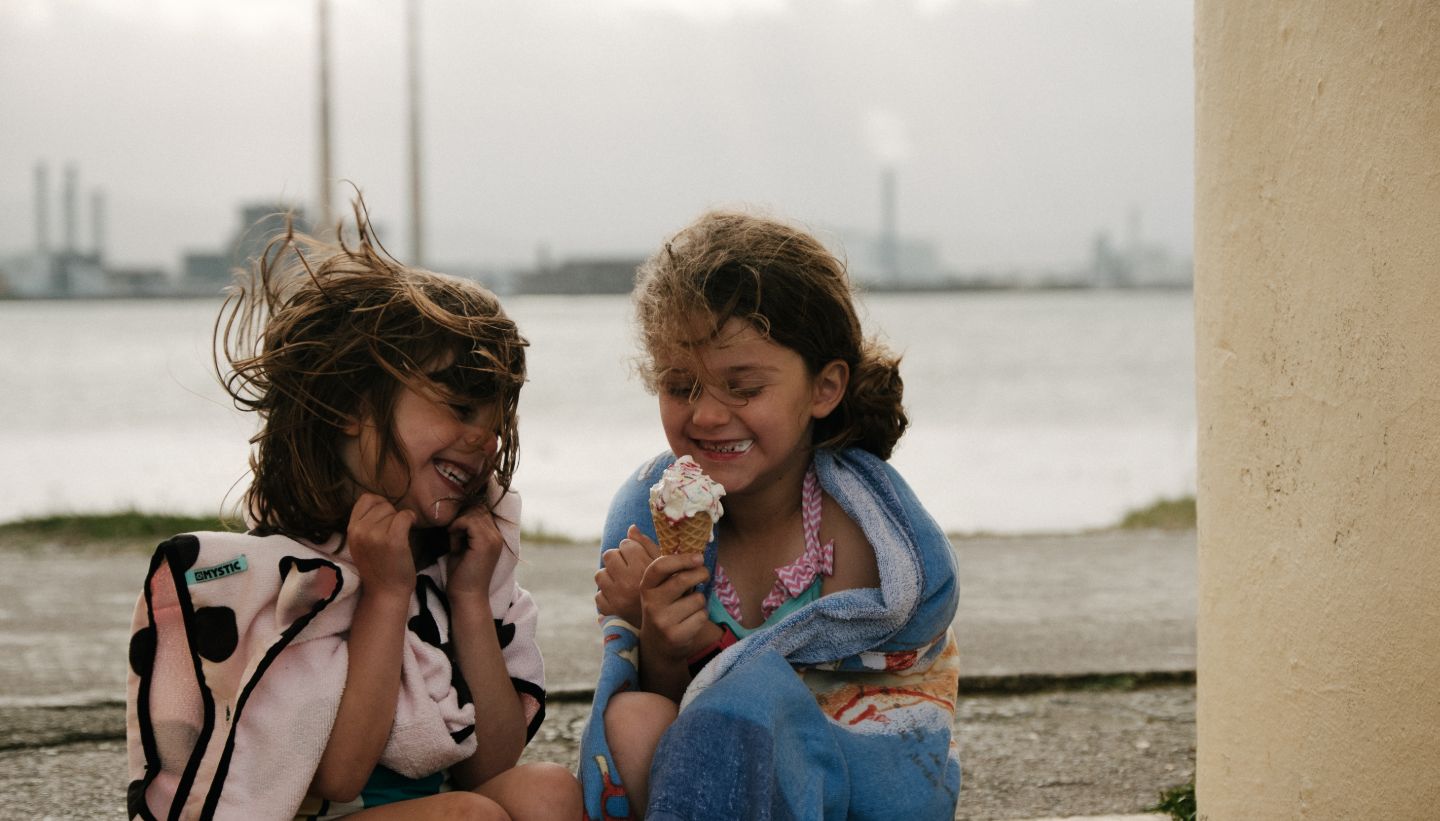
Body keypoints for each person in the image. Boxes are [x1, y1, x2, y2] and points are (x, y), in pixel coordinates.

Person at [125, 200, 582, 820]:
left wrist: (472, 603)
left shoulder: (460, 571)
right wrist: (386, 595)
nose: (488, 440)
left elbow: (493, 765)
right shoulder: (285, 584)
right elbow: (340, 776)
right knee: (471, 818)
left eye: (498, 420)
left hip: (433, 808)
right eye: (461, 407)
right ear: (351, 407)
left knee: (548, 788)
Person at [579, 210, 961, 820]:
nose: (706, 416)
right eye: (682, 387)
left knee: (751, 697)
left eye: (743, 388)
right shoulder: (648, 514)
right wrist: (658, 639)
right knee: (632, 717)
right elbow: (671, 708)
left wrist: (713, 645)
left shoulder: (866, 537)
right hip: (707, 789)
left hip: (834, 788)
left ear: (824, 388)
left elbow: (840, 710)